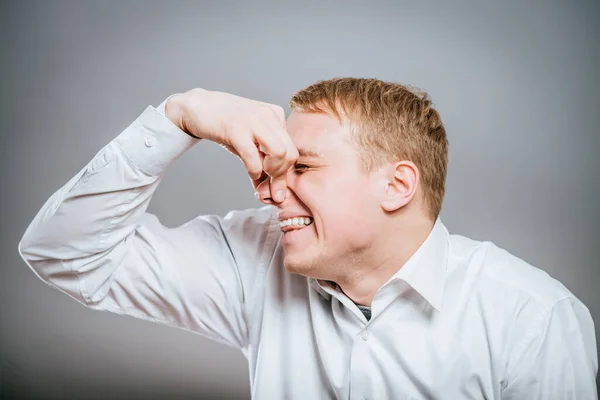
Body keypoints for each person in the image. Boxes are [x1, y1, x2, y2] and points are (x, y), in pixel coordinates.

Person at [18, 78, 597, 399]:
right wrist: (179, 115)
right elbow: (63, 254)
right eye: (275, 169)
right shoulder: (254, 258)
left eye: (303, 168)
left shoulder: (533, 318)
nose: (269, 191)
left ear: (397, 186)